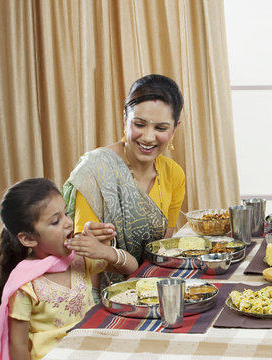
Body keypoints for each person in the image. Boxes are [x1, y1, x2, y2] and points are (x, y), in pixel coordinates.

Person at [62, 74, 186, 291]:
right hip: (99, 294)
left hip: (151, 286)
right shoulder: (95, 171)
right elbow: (88, 261)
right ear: (124, 118)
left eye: (161, 128)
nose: (148, 137)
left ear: (175, 128)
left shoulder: (173, 174)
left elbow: (162, 250)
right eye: (139, 124)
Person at [0, 178, 138, 360]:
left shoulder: (78, 259)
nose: (68, 223)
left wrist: (105, 251)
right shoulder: (25, 285)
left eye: (66, 213)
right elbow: (18, 344)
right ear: (29, 239)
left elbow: (131, 268)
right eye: (55, 222)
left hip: (92, 351)